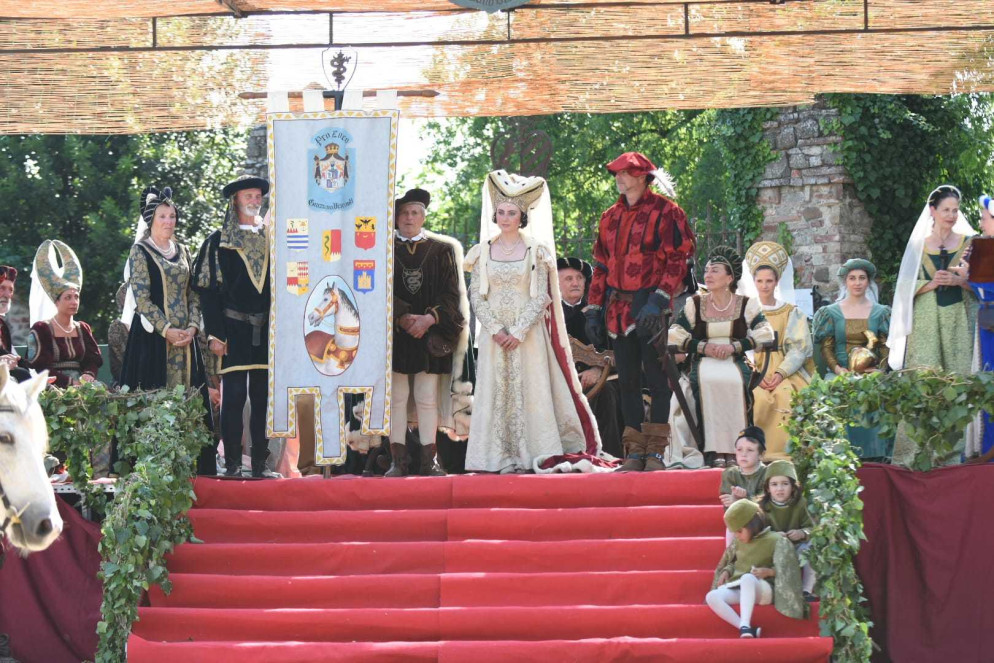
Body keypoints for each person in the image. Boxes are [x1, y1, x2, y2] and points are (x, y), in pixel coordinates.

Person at [464, 170, 602, 474]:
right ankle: (496, 457)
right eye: (500, 212)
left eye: (511, 212)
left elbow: (541, 297)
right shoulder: (483, 251)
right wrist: (497, 330)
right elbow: (475, 295)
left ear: (522, 215)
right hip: (493, 332)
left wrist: (517, 330)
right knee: (497, 391)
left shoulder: (536, 250)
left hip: (527, 332)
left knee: (529, 389)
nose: (504, 218)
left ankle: (530, 453)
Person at [585, 152, 696, 472]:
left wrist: (659, 299)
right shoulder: (609, 216)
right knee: (628, 382)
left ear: (643, 176)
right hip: (618, 309)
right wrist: (593, 309)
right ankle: (634, 452)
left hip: (650, 307)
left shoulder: (667, 212)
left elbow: (678, 260)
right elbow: (601, 266)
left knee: (658, 382)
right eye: (616, 173)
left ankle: (656, 453)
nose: (618, 178)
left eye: (625, 172)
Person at [119, 186, 216, 475]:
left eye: (172, 216)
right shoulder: (140, 251)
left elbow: (194, 294)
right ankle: (153, 469)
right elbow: (141, 298)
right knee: (152, 399)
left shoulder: (184, 251)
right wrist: (167, 330)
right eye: (163, 216)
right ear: (151, 220)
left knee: (190, 400)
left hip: (186, 343)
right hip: (152, 341)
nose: (169, 221)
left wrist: (193, 326)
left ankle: (192, 466)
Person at [193, 174, 275, 478]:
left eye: (257, 196)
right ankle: (230, 466)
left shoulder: (274, 239)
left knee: (264, 399)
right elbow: (207, 292)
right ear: (235, 201)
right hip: (233, 330)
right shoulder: (218, 242)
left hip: (266, 331)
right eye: (248, 196)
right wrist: (216, 333)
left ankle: (259, 464)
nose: (254, 201)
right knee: (234, 398)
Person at [386, 187, 470, 477]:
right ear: (396, 217)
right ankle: (398, 460)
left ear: (423, 217)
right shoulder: (381, 250)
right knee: (395, 397)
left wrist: (429, 319)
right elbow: (370, 287)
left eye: (414, 212)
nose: (409, 217)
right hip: (394, 336)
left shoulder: (442, 249)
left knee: (426, 397)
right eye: (404, 212)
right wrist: (401, 316)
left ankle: (428, 460)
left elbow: (452, 295)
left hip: (429, 336)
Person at [668, 246, 774, 467]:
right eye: (706, 270)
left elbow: (765, 332)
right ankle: (712, 449)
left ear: (729, 278)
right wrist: (701, 347)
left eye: (715, 270)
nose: (708, 275)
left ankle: (736, 450)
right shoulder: (695, 304)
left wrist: (737, 346)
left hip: (734, 359)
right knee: (709, 380)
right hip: (702, 359)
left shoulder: (746, 304)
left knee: (733, 380)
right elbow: (675, 334)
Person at [738, 241, 815, 460]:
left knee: (785, 394)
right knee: (759, 397)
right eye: (760, 281)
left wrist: (781, 373)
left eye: (769, 281)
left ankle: (786, 454)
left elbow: (799, 348)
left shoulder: (790, 311)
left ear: (777, 282)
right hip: (755, 368)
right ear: (754, 282)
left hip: (783, 368)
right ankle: (759, 453)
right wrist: (755, 374)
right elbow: (740, 346)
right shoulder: (745, 312)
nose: (764, 285)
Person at [889, 185, 976, 374]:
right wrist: (931, 283)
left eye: (955, 210)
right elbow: (903, 288)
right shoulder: (917, 246)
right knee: (926, 377)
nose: (951, 215)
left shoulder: (970, 243)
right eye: (946, 210)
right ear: (932, 210)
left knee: (961, 377)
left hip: (959, 319)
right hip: (925, 320)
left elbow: (983, 285)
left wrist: (959, 282)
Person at [812, 258, 892, 460]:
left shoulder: (880, 312)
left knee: (877, 390)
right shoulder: (831, 312)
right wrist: (838, 370)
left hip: (871, 372)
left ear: (868, 282)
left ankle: (875, 455)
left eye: (862, 278)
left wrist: (880, 370)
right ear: (845, 282)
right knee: (836, 390)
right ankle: (841, 453)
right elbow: (827, 347)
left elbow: (884, 346)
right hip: (840, 372)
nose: (857, 283)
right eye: (852, 278)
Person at [705, 498, 806, 639]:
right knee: (711, 596)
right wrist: (727, 570)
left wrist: (769, 572)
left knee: (748, 578)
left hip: (763, 589)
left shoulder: (776, 540)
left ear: (753, 524)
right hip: (739, 586)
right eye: (734, 532)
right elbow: (734, 561)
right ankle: (744, 628)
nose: (737, 536)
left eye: (739, 531)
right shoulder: (739, 542)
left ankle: (745, 624)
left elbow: (790, 570)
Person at [557, 256, 623, 459]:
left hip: (601, 377)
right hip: (557, 379)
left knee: (607, 394)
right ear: (556, 283)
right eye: (568, 279)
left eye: (579, 278)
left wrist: (597, 370)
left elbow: (617, 349)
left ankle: (606, 456)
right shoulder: (548, 314)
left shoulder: (600, 312)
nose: (575, 282)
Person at [24, 240, 102, 388]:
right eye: (68, 297)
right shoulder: (42, 328)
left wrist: (88, 374)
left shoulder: (82, 328)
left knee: (102, 396)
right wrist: (70, 382)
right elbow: (42, 368)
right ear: (56, 302)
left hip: (83, 385)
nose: (74, 301)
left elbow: (92, 360)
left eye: (76, 297)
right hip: (54, 385)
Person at [759, 459, 817, 600]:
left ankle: (806, 590)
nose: (779, 489)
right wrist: (773, 536)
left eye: (785, 484)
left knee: (813, 547)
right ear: (767, 488)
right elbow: (756, 533)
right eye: (774, 484)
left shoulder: (801, 504)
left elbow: (812, 528)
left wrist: (802, 533)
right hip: (772, 553)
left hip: (796, 549)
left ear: (793, 486)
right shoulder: (761, 507)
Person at [964, 195, 994, 459]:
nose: (981, 223)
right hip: (987, 324)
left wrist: (968, 277)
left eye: (985, 218)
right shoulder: (983, 248)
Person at [719, 427, 768, 507]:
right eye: (739, 449)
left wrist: (742, 500)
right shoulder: (730, 474)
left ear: (761, 455)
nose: (743, 454)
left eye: (750, 450)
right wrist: (734, 500)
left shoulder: (767, 473)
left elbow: (766, 501)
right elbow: (727, 502)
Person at [0, 266, 30, 382]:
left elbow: (5, 353)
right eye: (2, 288)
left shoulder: (3, 324)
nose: (7, 295)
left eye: (10, 290)